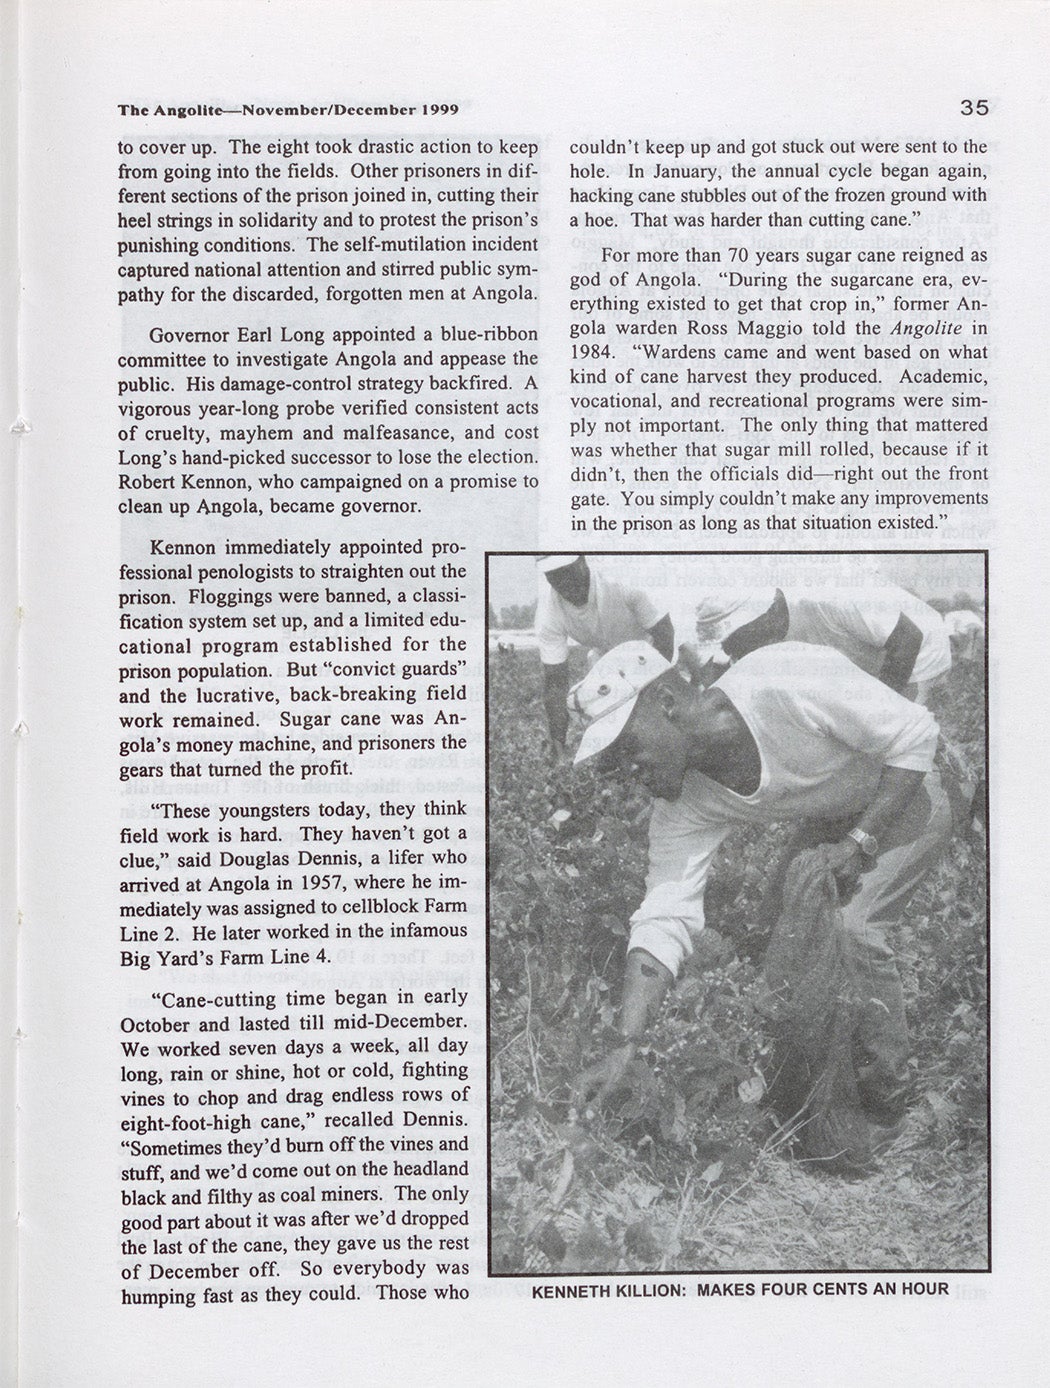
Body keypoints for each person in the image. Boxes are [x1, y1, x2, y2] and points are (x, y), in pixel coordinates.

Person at [569, 639, 952, 1129]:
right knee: (778, 929)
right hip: (839, 810)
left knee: (851, 929)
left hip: (915, 783)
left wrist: (858, 844)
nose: (625, 771)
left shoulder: (782, 676)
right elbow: (665, 914)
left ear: (666, 704)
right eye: (612, 761)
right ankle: (821, 1065)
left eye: (627, 747)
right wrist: (625, 1046)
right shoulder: (681, 804)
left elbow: (917, 736)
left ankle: (884, 1105)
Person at [688, 584, 951, 700]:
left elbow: (908, 637)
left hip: (921, 649)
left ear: (760, 620)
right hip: (871, 658)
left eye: (734, 645)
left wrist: (881, 708)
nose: (735, 654)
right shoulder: (761, 636)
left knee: (897, 743)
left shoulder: (827, 596)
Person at [535, 554, 674, 752]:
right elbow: (556, 682)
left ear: (582, 561)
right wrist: (558, 741)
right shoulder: (547, 614)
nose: (564, 583)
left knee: (668, 716)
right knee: (617, 733)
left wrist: (647, 693)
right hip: (608, 657)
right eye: (553, 576)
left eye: (568, 572)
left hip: (652, 645)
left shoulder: (624, 582)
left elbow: (665, 635)